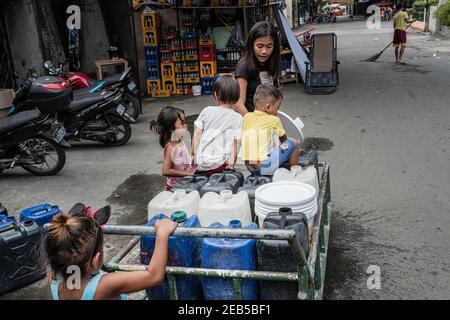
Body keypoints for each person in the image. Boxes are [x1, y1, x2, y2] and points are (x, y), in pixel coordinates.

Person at [45, 213, 177, 300]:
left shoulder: (53, 280)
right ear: (96, 261)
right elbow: (154, 276)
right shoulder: (104, 285)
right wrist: (162, 234)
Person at [241, 84, 301, 176]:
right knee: (294, 142)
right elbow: (285, 140)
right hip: (264, 166)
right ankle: (294, 172)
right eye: (277, 107)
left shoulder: (247, 117)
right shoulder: (274, 120)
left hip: (249, 167)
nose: (277, 112)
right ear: (268, 107)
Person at [192, 74, 243, 175]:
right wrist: (231, 165)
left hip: (201, 163)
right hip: (220, 165)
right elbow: (236, 143)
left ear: (215, 95)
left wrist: (192, 155)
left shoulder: (206, 111)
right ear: (237, 98)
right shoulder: (238, 118)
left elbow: (197, 135)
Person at [235, 21, 281, 115]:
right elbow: (238, 104)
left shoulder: (271, 63)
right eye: (260, 46)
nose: (264, 51)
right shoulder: (244, 66)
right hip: (250, 122)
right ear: (252, 44)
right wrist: (253, 121)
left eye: (269, 46)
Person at [150, 106, 195, 191]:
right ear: (171, 128)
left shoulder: (180, 141)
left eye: (185, 122)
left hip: (184, 183)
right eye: (182, 124)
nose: (186, 125)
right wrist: (186, 174)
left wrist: (191, 160)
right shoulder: (171, 147)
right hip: (175, 188)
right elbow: (166, 171)